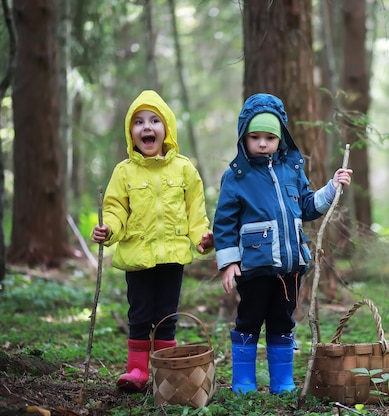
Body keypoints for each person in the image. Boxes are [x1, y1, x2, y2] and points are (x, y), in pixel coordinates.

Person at [213, 93, 353, 395]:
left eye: (270, 137)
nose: (262, 143)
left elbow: (306, 206)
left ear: (280, 138)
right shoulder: (237, 176)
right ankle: (244, 382)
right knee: (248, 319)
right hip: (252, 267)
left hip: (289, 268)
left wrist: (331, 188)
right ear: (244, 137)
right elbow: (224, 222)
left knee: (282, 321)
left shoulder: (291, 169)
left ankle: (282, 380)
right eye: (255, 137)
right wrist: (229, 262)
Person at [91, 90, 213, 392]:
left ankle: (164, 369)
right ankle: (137, 370)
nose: (147, 127)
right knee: (140, 313)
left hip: (172, 256)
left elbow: (195, 211)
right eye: (139, 122)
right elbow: (116, 209)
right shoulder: (124, 171)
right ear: (130, 132)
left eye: (155, 120)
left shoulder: (184, 169)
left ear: (166, 129)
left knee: (167, 316)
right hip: (138, 257)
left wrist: (202, 238)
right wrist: (109, 230)